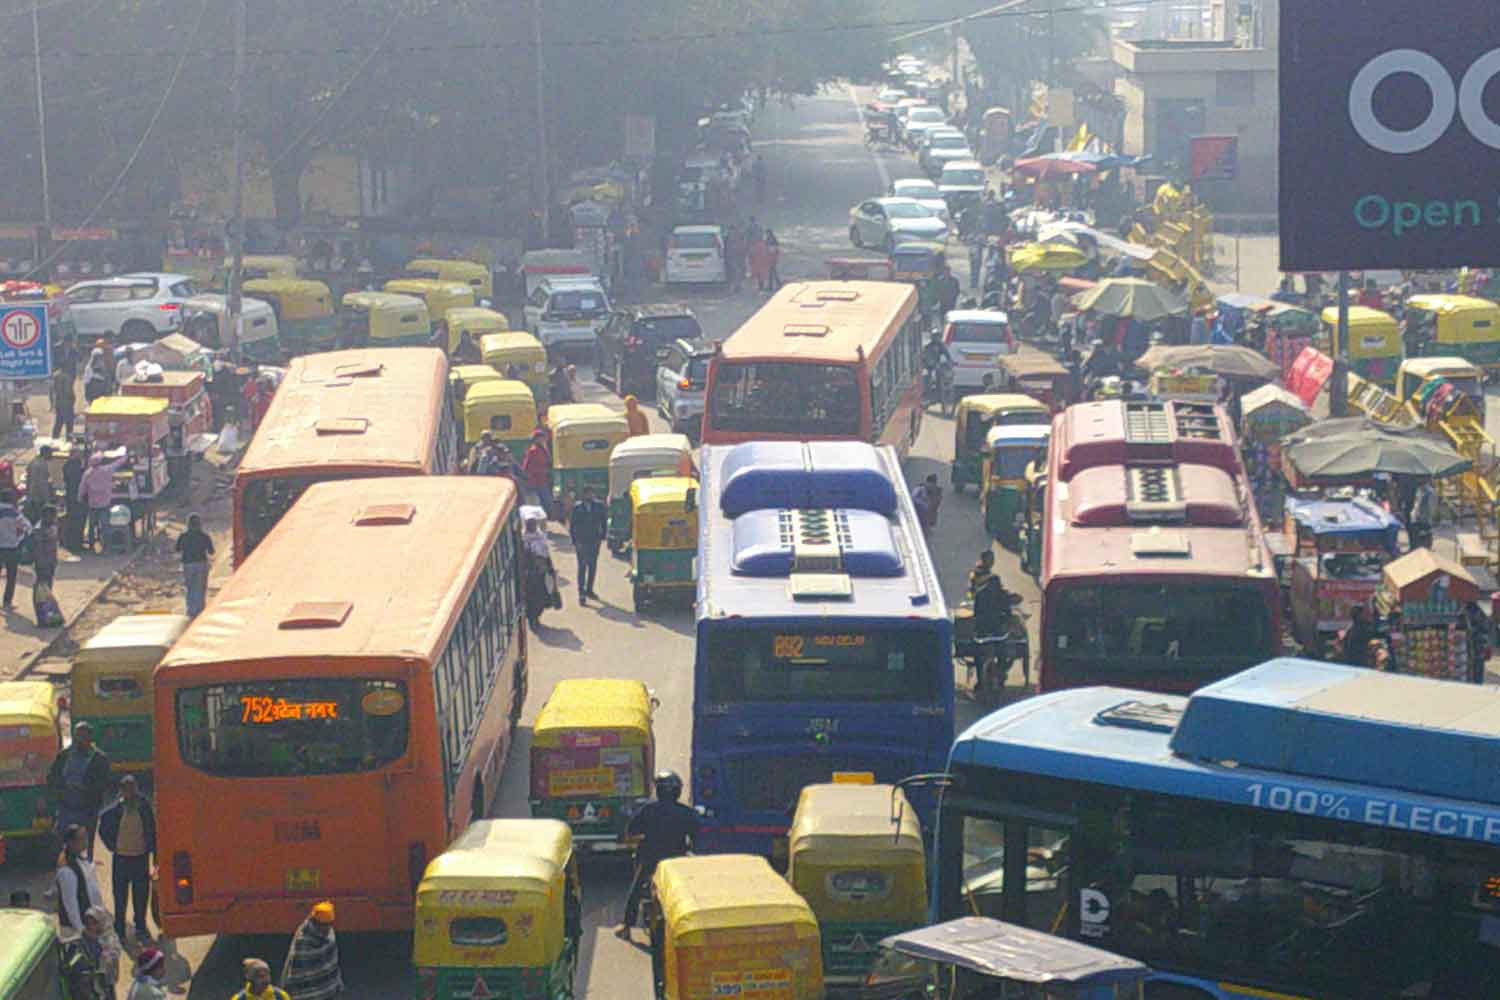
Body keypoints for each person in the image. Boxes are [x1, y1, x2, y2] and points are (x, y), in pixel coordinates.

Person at [617, 770, 699, 939]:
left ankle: (626, 926)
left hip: (649, 858)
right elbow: (697, 835)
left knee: (637, 887)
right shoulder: (686, 812)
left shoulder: (648, 810)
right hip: (677, 860)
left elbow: (631, 831)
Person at [98, 774, 155, 942]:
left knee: (141, 895)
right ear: (121, 791)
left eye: (132, 788)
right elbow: (103, 827)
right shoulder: (115, 810)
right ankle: (120, 929)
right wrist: (112, 846)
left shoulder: (144, 807)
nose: (129, 793)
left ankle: (140, 927)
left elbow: (152, 830)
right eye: (126, 789)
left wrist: (153, 852)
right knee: (120, 896)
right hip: (121, 858)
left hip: (140, 857)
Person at [48, 722, 112, 854]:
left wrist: (85, 789)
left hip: (87, 809)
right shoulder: (64, 756)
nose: (79, 740)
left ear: (90, 738)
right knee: (63, 843)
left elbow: (103, 784)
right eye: (77, 736)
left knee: (86, 844)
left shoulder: (99, 759)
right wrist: (61, 790)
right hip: (66, 808)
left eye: (83, 737)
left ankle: (86, 868)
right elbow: (52, 777)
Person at [281, 901, 344, 1000]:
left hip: (329, 988)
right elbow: (298, 968)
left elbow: (332, 963)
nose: (326, 927)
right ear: (315, 922)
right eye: (323, 924)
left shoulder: (329, 933)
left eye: (329, 924)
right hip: (307, 992)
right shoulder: (303, 940)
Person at [55, 823, 105, 941]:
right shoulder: (66, 870)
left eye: (86, 837)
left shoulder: (79, 858)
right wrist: (82, 930)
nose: (86, 841)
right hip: (75, 931)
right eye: (81, 839)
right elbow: (70, 903)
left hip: (89, 925)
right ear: (71, 843)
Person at [62, 906, 119, 1000]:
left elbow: (111, 960)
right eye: (88, 922)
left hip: (103, 985)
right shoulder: (81, 938)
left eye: (94, 923)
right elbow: (68, 960)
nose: (90, 926)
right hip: (84, 986)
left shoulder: (109, 938)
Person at [79, 453, 127, 553]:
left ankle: (91, 547)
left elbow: (82, 488)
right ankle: (106, 548)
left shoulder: (87, 474)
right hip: (105, 503)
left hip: (93, 504)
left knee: (92, 526)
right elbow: (118, 463)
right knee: (105, 526)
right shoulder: (106, 470)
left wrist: (79, 498)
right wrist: (126, 456)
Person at [569, 486, 607, 605]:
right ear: (584, 495)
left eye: (592, 493)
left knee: (592, 565)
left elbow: (604, 521)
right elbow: (572, 525)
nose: (590, 496)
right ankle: (581, 593)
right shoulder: (577, 508)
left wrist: (603, 536)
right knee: (582, 566)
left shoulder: (599, 506)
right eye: (588, 494)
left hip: (594, 540)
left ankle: (590, 590)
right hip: (581, 541)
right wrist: (574, 540)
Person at [522, 510, 560, 625]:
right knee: (530, 597)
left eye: (534, 523)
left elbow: (546, 554)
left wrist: (550, 569)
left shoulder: (540, 537)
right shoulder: (523, 539)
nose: (532, 526)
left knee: (542, 595)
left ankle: (537, 615)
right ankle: (531, 617)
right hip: (528, 573)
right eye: (530, 524)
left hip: (541, 572)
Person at [175, 513, 215, 616]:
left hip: (187, 564)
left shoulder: (183, 536)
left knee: (190, 587)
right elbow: (211, 551)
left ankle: (191, 609)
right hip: (201, 563)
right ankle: (200, 609)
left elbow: (177, 549)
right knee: (200, 587)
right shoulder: (204, 536)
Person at [0, 489, 30, 609]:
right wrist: (20, 536)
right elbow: (28, 527)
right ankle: (7, 603)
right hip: (11, 547)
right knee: (11, 576)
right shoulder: (14, 513)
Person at [521, 431, 554, 517]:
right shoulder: (534, 450)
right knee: (543, 502)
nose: (544, 439)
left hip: (542, 479)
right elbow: (527, 466)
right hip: (536, 480)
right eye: (542, 437)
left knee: (545, 501)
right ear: (537, 439)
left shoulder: (542, 449)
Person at [62, 442, 87, 552]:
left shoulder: (66, 465)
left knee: (72, 521)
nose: (81, 455)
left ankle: (72, 544)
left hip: (70, 497)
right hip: (78, 498)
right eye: (79, 453)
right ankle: (77, 544)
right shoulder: (76, 466)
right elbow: (79, 481)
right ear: (74, 454)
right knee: (79, 521)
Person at [1409, 478, 1436, 550]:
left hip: (1424, 520)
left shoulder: (1430, 492)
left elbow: (1431, 508)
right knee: (1417, 541)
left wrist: (1427, 519)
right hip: (1416, 519)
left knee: (1425, 542)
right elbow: (1416, 503)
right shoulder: (1419, 490)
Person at [51, 366, 75, 440]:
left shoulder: (55, 375)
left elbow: (52, 391)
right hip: (67, 402)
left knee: (58, 422)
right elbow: (68, 391)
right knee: (69, 423)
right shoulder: (67, 377)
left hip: (58, 402)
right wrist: (73, 398)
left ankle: (54, 438)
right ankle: (69, 439)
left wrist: (53, 403)